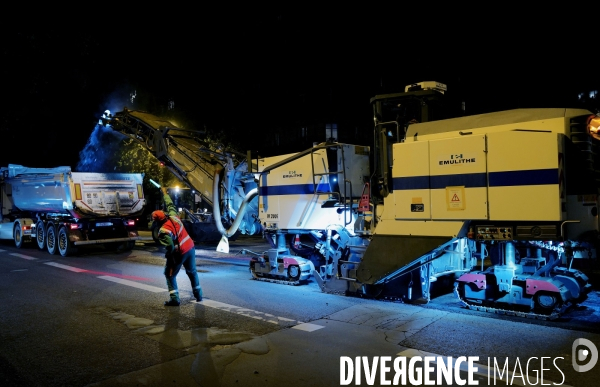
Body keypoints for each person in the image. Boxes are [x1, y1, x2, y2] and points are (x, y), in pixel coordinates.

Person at [151, 187, 203, 306]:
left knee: (169, 274)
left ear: (157, 222)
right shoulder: (174, 216)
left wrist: (169, 256)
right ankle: (199, 295)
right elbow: (169, 204)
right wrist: (165, 193)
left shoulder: (163, 231)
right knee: (192, 271)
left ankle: (174, 299)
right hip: (190, 246)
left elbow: (170, 247)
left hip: (180, 252)